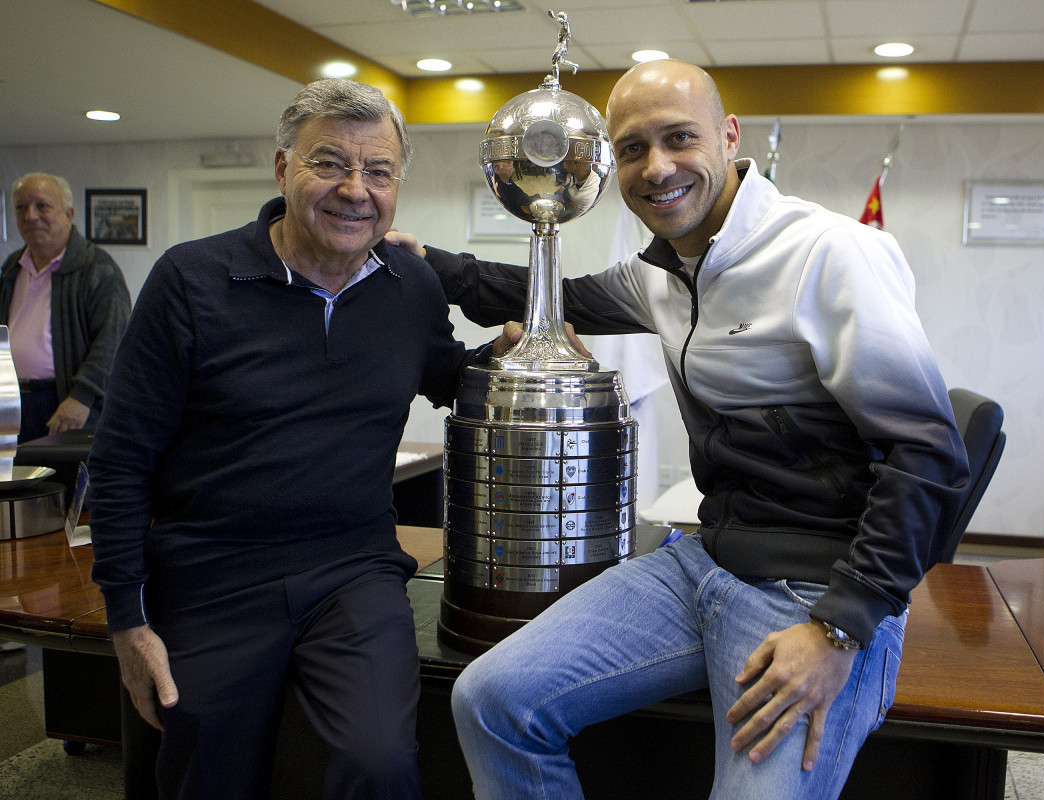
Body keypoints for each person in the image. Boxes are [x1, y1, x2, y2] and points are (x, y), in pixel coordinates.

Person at [400, 60, 970, 798]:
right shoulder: (661, 274)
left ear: (729, 137)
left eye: (679, 138)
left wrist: (839, 629)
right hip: (705, 562)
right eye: (632, 148)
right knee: (492, 700)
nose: (656, 167)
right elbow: (545, 296)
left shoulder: (828, 254)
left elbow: (929, 451)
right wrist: (420, 264)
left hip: (816, 591)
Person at [87, 79, 496, 800]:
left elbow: (448, 376)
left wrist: (525, 358)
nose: (354, 190)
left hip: (352, 569)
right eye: (329, 163)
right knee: (203, 771)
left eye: (378, 171)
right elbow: (120, 460)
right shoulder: (190, 280)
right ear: (282, 169)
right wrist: (127, 619)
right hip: (211, 574)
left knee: (378, 764)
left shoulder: (412, 286)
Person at [1, 173, 130, 442]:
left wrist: (80, 397)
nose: (30, 215)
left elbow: (113, 341)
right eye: (21, 207)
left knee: (61, 483)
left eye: (42, 206)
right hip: (12, 403)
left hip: (65, 405)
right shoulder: (12, 268)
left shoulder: (97, 268)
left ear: (68, 213)